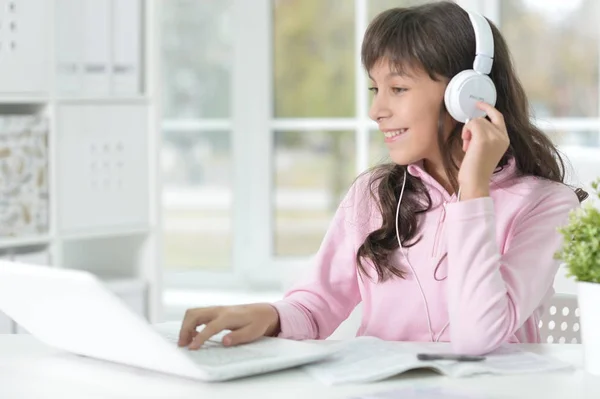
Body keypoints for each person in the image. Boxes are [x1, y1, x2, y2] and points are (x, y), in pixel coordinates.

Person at [177, 1, 587, 355]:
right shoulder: (373, 196)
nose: (377, 111)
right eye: (376, 89)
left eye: (398, 88)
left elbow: (479, 338)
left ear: (468, 94)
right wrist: (268, 315)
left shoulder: (546, 204)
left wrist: (473, 190)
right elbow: (317, 304)